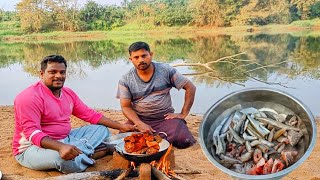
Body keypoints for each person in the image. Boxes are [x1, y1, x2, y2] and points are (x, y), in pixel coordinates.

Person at [12, 55, 135, 173]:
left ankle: (81, 153)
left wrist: (121, 126)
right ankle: (94, 154)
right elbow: (32, 134)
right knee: (63, 160)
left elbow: (90, 115)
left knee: (102, 130)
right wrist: (60, 147)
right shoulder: (28, 97)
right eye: (52, 72)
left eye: (62, 72)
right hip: (32, 148)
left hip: (65, 138)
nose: (58, 76)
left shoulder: (68, 93)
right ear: (42, 74)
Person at [116, 41, 196, 149]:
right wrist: (138, 123)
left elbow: (190, 87)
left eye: (144, 55)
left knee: (185, 140)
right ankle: (155, 138)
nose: (141, 60)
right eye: (136, 57)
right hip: (140, 118)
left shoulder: (166, 70)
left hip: (165, 118)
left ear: (151, 55)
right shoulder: (126, 79)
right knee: (123, 140)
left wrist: (183, 114)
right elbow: (125, 106)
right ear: (131, 59)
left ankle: (154, 137)